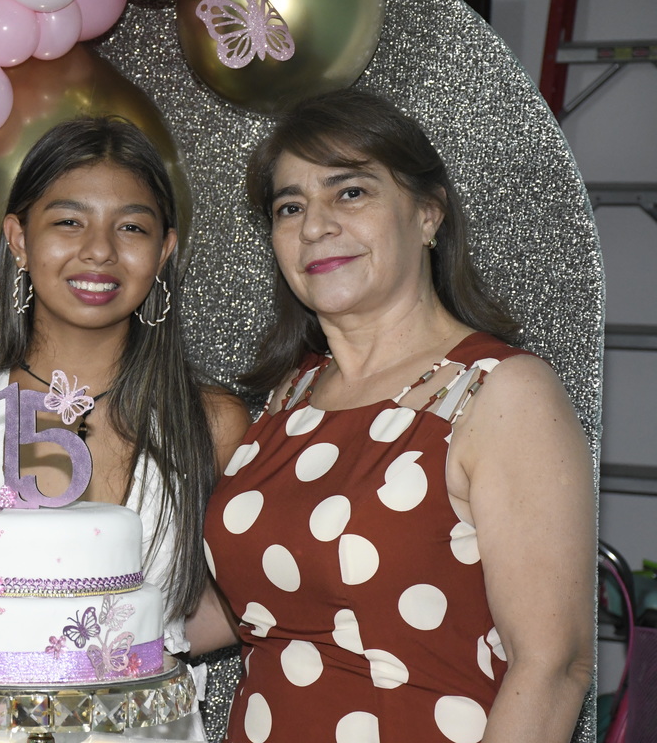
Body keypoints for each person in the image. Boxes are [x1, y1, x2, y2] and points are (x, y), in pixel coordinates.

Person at [204, 89, 595, 743]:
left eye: (351, 192)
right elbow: (257, 597)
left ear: (427, 214)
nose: (315, 225)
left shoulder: (499, 392)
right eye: (290, 206)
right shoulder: (291, 397)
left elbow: (554, 666)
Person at [0, 116, 250, 668]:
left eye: (132, 228)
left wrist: (135, 658)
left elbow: (260, 594)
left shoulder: (213, 423)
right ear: (19, 239)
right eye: (69, 222)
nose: (99, 250)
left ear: (164, 251)